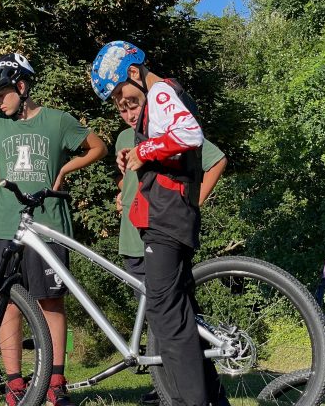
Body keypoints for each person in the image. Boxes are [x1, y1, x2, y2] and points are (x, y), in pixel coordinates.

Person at [0, 53, 108, 406]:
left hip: (48, 224)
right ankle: (15, 385)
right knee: (8, 304)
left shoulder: (58, 121)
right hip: (4, 225)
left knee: (51, 301)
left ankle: (55, 383)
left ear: (21, 86)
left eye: (1, 94)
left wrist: (65, 171)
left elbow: (97, 147)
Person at [91, 40, 212, 406]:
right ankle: (213, 399)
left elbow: (190, 135)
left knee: (167, 320)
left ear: (133, 72)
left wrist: (142, 152)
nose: (122, 104)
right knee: (179, 316)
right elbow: (171, 145)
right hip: (170, 213)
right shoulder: (165, 94)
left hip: (166, 217)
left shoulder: (158, 91)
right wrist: (141, 150)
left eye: (121, 93)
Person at [112, 79, 227, 405]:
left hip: (163, 228)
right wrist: (122, 190)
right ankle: (176, 392)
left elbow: (214, 159)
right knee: (164, 324)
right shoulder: (125, 136)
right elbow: (138, 176)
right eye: (122, 109)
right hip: (133, 238)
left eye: (132, 105)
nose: (129, 113)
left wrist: (192, 202)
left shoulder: (164, 115)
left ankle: (179, 394)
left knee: (173, 324)